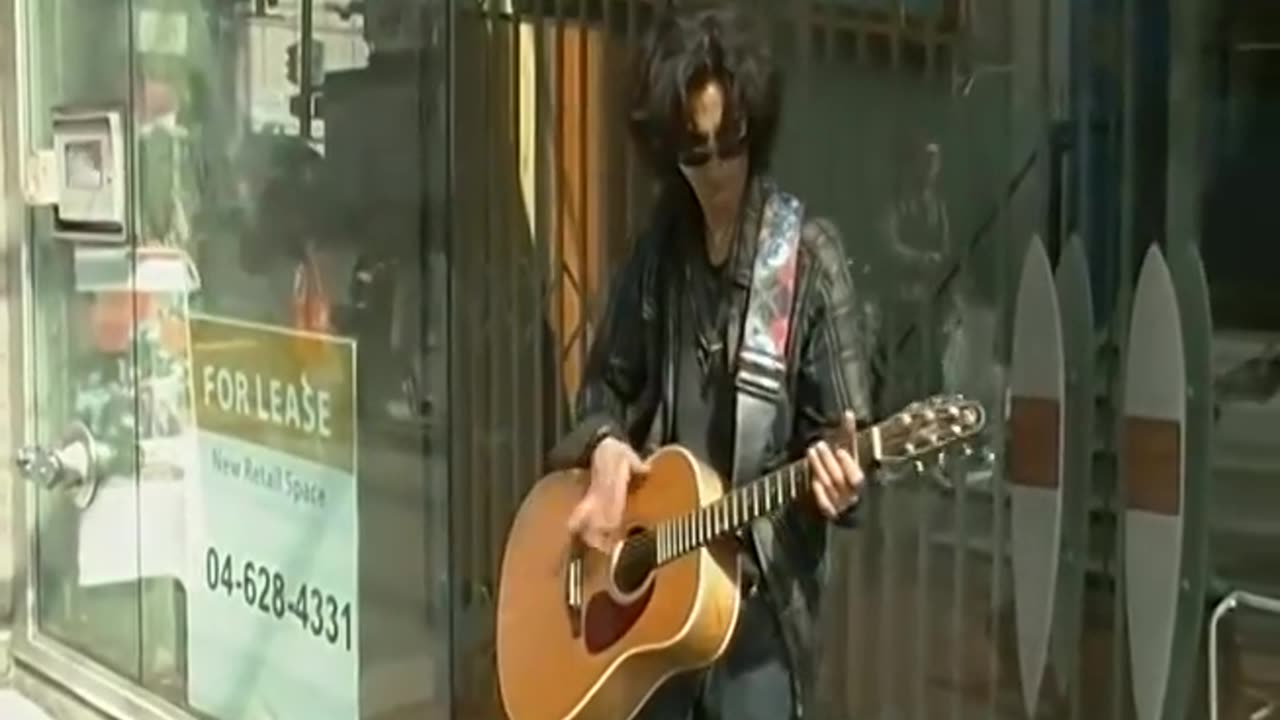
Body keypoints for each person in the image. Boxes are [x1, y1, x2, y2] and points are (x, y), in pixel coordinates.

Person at [546, 3, 875, 718]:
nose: (719, 167)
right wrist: (604, 448)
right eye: (697, 152)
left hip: (755, 623)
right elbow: (603, 384)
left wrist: (842, 480)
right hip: (655, 601)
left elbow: (844, 442)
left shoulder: (808, 260)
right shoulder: (659, 257)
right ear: (669, 151)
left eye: (733, 140)